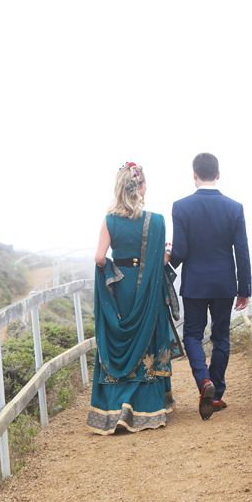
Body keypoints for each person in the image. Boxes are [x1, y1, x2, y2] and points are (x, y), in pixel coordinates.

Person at [87, 162, 175, 435]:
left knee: (120, 340)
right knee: (146, 340)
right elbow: (160, 261)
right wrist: (167, 256)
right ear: (141, 187)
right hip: (146, 289)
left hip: (121, 289)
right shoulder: (156, 221)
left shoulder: (109, 221)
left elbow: (100, 258)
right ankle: (146, 407)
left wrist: (113, 273)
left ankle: (114, 409)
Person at [171, 153, 251, 420]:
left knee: (192, 335)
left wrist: (169, 254)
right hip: (224, 283)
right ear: (218, 174)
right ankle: (215, 395)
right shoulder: (234, 208)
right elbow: (242, 251)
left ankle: (204, 381)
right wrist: (244, 288)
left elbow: (180, 253)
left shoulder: (181, 207)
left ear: (194, 175)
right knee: (221, 337)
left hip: (194, 283)